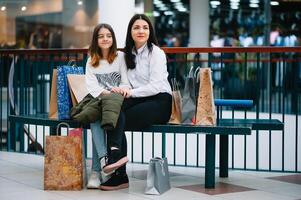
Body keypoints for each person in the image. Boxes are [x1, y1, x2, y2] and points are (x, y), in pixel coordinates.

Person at [100, 14, 172, 191]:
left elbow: (155, 86)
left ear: (150, 31)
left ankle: (119, 172)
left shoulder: (156, 53)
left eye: (145, 27)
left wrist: (130, 92)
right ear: (130, 32)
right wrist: (121, 89)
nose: (141, 31)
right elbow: (126, 82)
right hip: (137, 98)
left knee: (117, 118)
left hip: (160, 101)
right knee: (113, 111)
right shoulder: (126, 55)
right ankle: (117, 160)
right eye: (136, 27)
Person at [85, 23, 131, 189]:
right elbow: (91, 87)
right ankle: (104, 162)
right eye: (101, 36)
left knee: (99, 115)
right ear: (96, 40)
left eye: (108, 36)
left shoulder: (120, 57)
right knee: (94, 115)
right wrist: (107, 92)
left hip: (117, 102)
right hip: (99, 100)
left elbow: (126, 82)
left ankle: (96, 171)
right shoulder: (91, 60)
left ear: (113, 39)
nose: (105, 39)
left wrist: (119, 91)